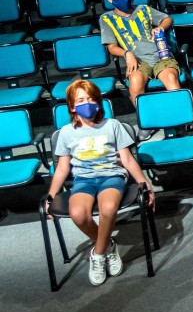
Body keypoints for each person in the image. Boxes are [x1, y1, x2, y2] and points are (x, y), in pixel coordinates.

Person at [46, 80, 155, 287]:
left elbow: (127, 159)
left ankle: (98, 254)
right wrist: (51, 195)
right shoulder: (66, 133)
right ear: (71, 106)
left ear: (98, 102)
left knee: (109, 207)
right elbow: (62, 168)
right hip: (83, 180)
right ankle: (108, 244)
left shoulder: (112, 125)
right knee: (78, 214)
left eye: (91, 99)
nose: (86, 103)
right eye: (80, 100)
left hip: (112, 176)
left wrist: (144, 183)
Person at [99, 0, 181, 120]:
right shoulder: (106, 18)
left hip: (161, 56)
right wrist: (127, 53)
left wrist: (160, 27)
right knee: (135, 82)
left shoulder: (144, 9)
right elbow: (111, 47)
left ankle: (181, 116)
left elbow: (167, 18)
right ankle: (147, 120)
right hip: (137, 60)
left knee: (170, 77)